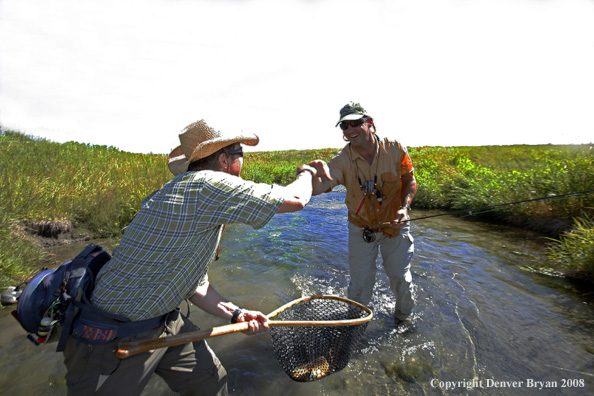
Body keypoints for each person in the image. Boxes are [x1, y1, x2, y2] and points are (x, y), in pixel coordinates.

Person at [62, 119, 331, 396]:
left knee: (213, 386)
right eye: (240, 155)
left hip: (166, 321)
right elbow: (296, 199)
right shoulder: (208, 184)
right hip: (113, 334)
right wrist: (307, 172)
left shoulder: (192, 194)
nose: (242, 164)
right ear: (224, 160)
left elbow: (195, 285)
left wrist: (237, 313)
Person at [307, 102, 417, 324]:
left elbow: (409, 180)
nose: (349, 130)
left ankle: (404, 320)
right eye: (344, 126)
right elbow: (321, 187)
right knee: (360, 285)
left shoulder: (395, 149)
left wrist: (404, 208)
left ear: (370, 123)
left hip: (395, 228)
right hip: (361, 229)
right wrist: (308, 178)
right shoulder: (341, 160)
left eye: (355, 123)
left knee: (400, 278)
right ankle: (355, 325)